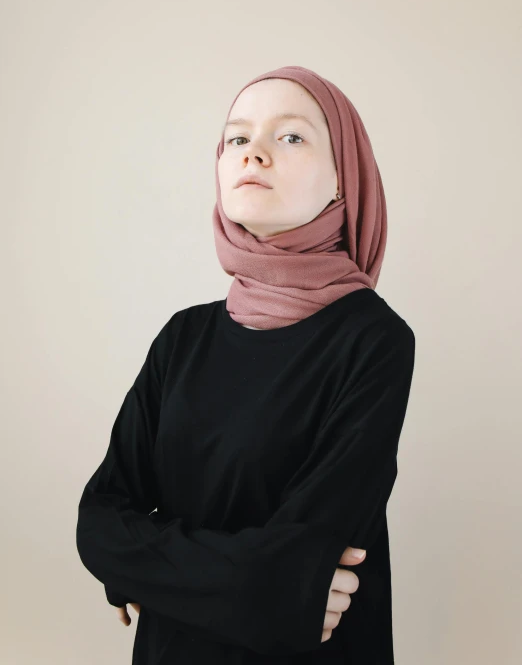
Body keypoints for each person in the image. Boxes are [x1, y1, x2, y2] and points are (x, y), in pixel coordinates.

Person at [76, 65, 416, 664]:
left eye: (290, 137)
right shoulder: (183, 336)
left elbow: (302, 551)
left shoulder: (374, 340)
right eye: (237, 138)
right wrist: (265, 589)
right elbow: (99, 523)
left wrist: (148, 569)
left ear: (344, 181)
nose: (252, 155)